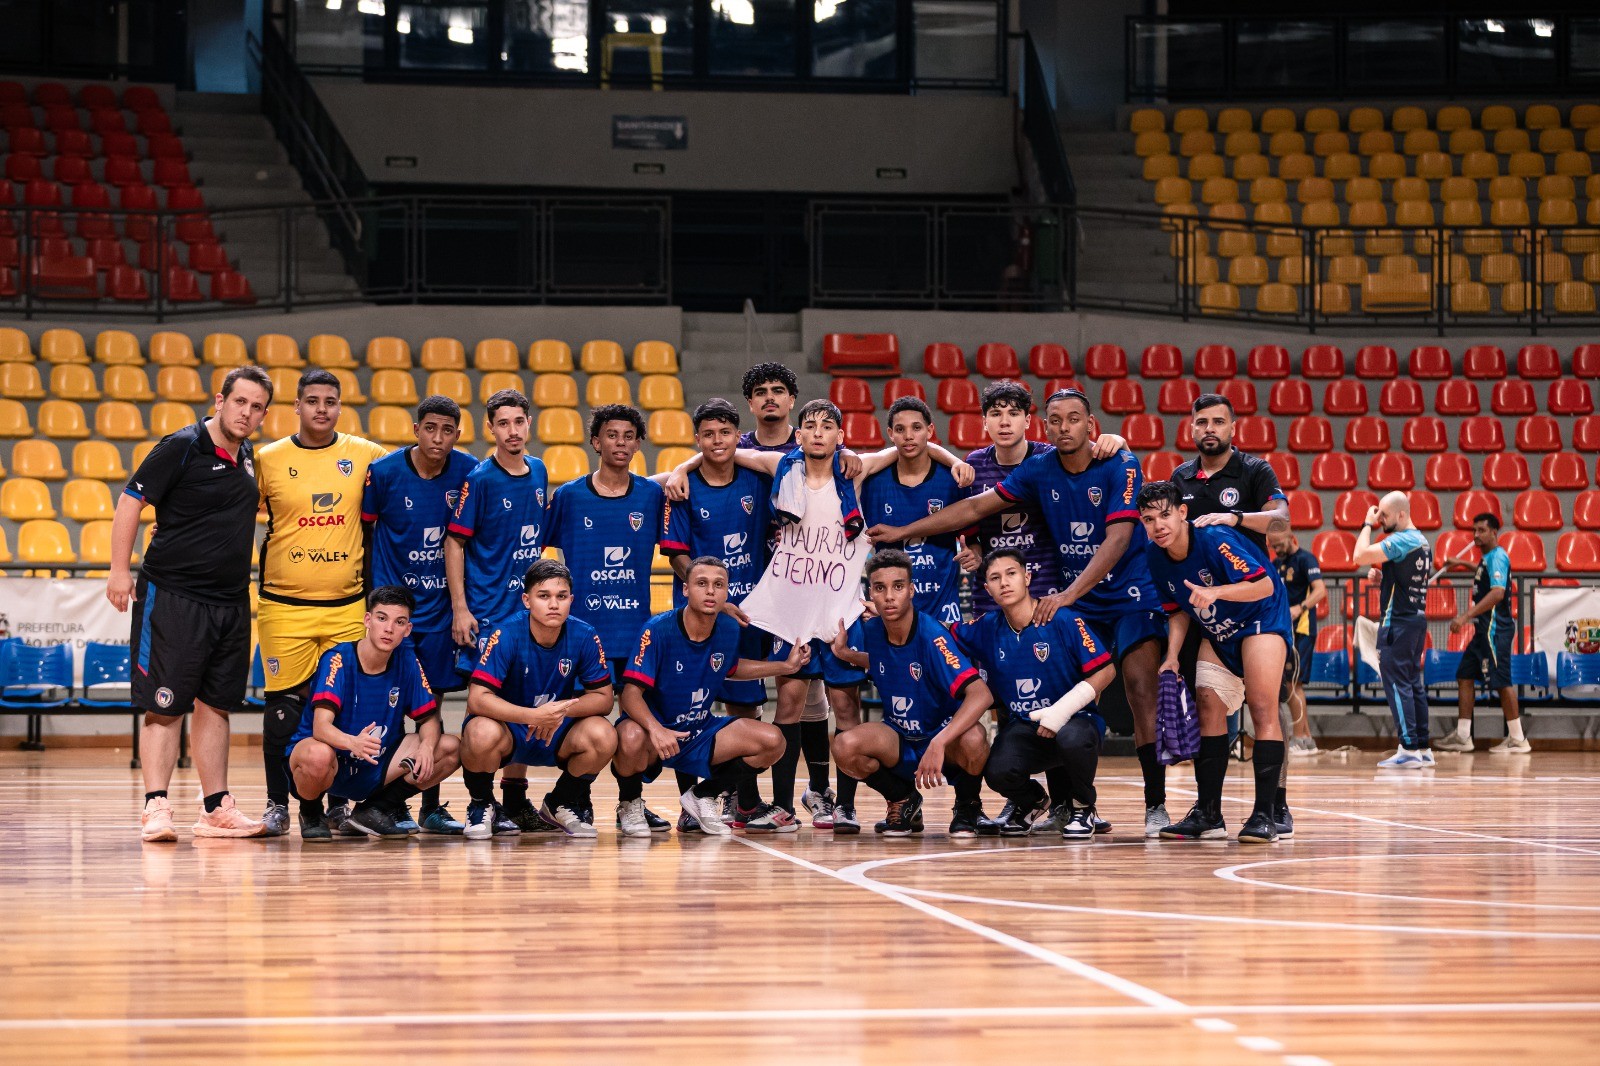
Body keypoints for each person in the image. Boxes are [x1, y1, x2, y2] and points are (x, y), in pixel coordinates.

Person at [866, 388, 1172, 838]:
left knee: (1140, 690)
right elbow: (973, 508)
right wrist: (903, 531)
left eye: (1074, 419)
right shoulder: (1038, 468)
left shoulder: (1120, 463)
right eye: (1056, 420)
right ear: (1046, 425)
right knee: (1043, 693)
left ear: (1090, 426)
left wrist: (1067, 595)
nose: (1064, 427)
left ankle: (1156, 805)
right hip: (1071, 595)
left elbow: (1119, 539)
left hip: (1124, 594)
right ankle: (1056, 804)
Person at [706, 398, 971, 832]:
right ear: (800, 433)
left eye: (826, 426)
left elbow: (910, 448)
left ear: (839, 436)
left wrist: (953, 457)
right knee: (788, 703)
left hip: (840, 608)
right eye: (809, 425)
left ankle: (843, 805)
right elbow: (727, 451)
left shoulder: (856, 470)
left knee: (845, 708)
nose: (816, 432)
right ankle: (782, 804)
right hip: (792, 606)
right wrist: (679, 472)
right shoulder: (781, 467)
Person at [108, 366, 274, 841]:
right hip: (174, 596)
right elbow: (129, 504)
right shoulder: (181, 445)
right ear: (219, 401)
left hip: (230, 602)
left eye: (257, 406)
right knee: (165, 705)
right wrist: (120, 571)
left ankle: (215, 807)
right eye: (239, 402)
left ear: (264, 414)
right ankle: (155, 806)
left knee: (217, 705)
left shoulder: (249, 459)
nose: (247, 412)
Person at [253, 368, 390, 836]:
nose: (321, 409)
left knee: (343, 705)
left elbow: (418, 477)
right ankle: (276, 804)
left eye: (330, 401)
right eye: (312, 401)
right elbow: (224, 507)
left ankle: (336, 804)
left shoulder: (367, 455)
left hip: (346, 605)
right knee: (283, 708)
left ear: (339, 405)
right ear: (296, 406)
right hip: (283, 605)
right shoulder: (268, 459)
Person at [545, 402, 682, 832]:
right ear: (595, 441)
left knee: (639, 728)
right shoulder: (568, 497)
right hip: (583, 637)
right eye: (611, 435)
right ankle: (575, 801)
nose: (619, 443)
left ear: (638, 444)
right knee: (589, 726)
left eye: (628, 436)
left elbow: (676, 547)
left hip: (634, 636)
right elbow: (532, 551)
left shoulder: (650, 495)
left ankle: (631, 802)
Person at [1138, 481, 1293, 844]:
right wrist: (1173, 656)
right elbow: (1177, 609)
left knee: (1261, 706)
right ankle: (1209, 813)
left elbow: (1263, 586)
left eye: (1164, 515)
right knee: (1208, 702)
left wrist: (1215, 592)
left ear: (1182, 513)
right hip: (1220, 629)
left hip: (1261, 618)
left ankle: (1264, 815)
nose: (1158, 525)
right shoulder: (1153, 556)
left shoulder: (1214, 538)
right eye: (1148, 519)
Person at [611, 558, 812, 837]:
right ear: (685, 589)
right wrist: (655, 730)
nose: (710, 592)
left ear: (727, 592)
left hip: (699, 731)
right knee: (628, 735)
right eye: (701, 584)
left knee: (773, 741)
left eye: (718, 585)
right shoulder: (657, 630)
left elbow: (731, 668)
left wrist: (786, 667)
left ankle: (703, 794)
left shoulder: (728, 629)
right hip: (655, 734)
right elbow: (630, 694)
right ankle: (630, 802)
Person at [361, 395, 480, 832]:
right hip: (396, 615)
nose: (438, 437)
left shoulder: (470, 472)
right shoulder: (386, 472)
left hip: (444, 614)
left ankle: (427, 804)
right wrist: (373, 604)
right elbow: (366, 532)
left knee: (433, 708)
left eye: (447, 430)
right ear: (416, 429)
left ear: (457, 434)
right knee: (389, 707)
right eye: (430, 428)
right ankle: (377, 801)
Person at [827, 551, 993, 837]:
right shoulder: (874, 630)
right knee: (844, 745)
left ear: (912, 590)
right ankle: (903, 799)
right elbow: (888, 661)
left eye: (898, 586)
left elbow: (981, 695)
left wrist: (940, 743)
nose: (889, 596)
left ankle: (968, 805)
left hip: (940, 735)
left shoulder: (931, 634)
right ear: (871, 593)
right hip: (900, 737)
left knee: (975, 738)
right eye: (880, 588)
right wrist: (845, 653)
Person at [953, 550, 1117, 839]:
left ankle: (1082, 806)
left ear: (1027, 577)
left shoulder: (1062, 619)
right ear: (987, 589)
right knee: (997, 771)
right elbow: (939, 634)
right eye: (995, 578)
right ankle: (1031, 801)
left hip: (1076, 721)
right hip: (1026, 727)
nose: (1004, 582)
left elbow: (1106, 671)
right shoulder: (986, 627)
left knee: (1073, 738)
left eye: (1011, 573)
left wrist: (1062, 710)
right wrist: (895, 617)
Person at [446, 388, 551, 831]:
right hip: (488, 613)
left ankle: (514, 798)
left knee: (525, 701)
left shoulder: (541, 470)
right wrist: (460, 608)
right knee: (486, 711)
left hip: (526, 616)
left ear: (530, 423)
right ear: (490, 428)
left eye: (518, 421)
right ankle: (480, 800)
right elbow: (455, 541)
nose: (512, 430)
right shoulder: (482, 478)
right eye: (502, 423)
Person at [459, 560, 619, 839]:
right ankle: (482, 804)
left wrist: (559, 711)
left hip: (555, 728)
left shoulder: (584, 634)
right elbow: (477, 699)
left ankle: (561, 801)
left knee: (603, 734)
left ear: (571, 600)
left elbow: (604, 698)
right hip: (511, 729)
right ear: (527, 600)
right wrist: (532, 716)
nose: (553, 604)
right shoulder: (506, 633)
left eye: (561, 596)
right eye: (543, 596)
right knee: (479, 730)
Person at [286, 585, 461, 838]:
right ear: (368, 620)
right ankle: (311, 811)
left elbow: (428, 718)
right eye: (382, 618)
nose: (389, 628)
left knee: (448, 748)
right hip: (331, 761)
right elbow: (320, 727)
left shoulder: (408, 662)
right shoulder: (337, 659)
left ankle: (373, 810)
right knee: (317, 754)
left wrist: (425, 747)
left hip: (375, 764)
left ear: (407, 629)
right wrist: (352, 742)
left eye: (399, 622)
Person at [861, 397, 965, 629]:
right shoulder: (872, 483)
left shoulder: (952, 480)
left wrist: (975, 551)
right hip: (890, 611)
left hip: (943, 609)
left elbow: (972, 533)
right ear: (890, 434)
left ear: (929, 431)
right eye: (900, 429)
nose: (908, 436)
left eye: (916, 428)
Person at [957, 381, 1057, 615]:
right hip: (992, 591)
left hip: (1045, 588)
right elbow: (972, 535)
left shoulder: (1049, 459)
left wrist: (1118, 441)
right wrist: (974, 551)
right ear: (984, 422)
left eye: (1013, 413)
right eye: (995, 414)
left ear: (1027, 421)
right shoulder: (974, 464)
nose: (1004, 422)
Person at [1352, 491, 1434, 769]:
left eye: (1384, 515)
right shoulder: (1421, 541)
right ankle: (1422, 747)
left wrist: (1365, 524)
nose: (1380, 519)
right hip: (1415, 621)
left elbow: (1359, 555)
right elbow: (1405, 579)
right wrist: (1384, 577)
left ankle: (1408, 748)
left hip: (1397, 623)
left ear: (1401, 514)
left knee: (1398, 685)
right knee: (1413, 684)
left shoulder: (1400, 540)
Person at [1437, 513, 1529, 754]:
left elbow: (1497, 593)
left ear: (1494, 532)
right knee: (1464, 675)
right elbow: (1482, 571)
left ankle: (1518, 739)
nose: (1476, 535)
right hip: (1483, 630)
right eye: (1474, 530)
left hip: (1495, 629)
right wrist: (1461, 562)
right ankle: (1463, 736)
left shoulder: (1498, 556)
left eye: (1481, 530)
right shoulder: (1488, 558)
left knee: (1501, 681)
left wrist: (1465, 616)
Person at [1270, 528, 1326, 757]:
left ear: (1291, 535)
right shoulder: (1276, 563)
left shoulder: (1306, 559)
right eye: (1272, 546)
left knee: (1294, 684)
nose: (1276, 549)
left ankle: (1301, 738)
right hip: (1285, 630)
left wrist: (1299, 608)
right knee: (1291, 684)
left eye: (1279, 544)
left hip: (1302, 629)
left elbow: (1320, 591)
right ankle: (1307, 740)